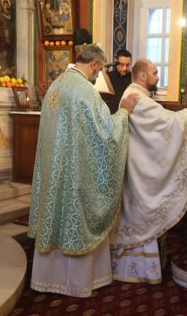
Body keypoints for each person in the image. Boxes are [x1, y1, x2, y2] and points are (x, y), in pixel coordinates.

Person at [28, 44, 140, 297]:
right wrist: (124, 112)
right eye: (97, 71)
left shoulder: (56, 85)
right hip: (75, 174)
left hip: (54, 172)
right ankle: (77, 283)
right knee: (76, 215)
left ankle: (47, 279)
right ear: (95, 64)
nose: (96, 76)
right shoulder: (84, 90)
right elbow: (106, 132)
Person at [110, 59, 187, 283]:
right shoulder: (138, 98)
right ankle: (139, 269)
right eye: (155, 73)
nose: (157, 77)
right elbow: (169, 122)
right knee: (140, 214)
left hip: (137, 166)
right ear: (143, 76)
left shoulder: (135, 95)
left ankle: (135, 265)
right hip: (138, 171)